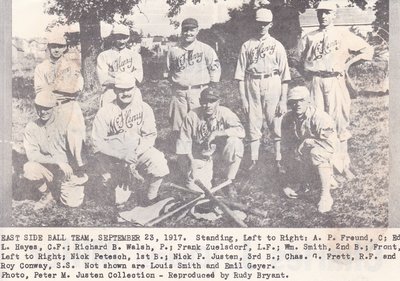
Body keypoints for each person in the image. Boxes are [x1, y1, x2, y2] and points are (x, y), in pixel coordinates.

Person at [297, 1, 373, 178]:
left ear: (334, 15)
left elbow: (367, 50)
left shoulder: (343, 34)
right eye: (320, 12)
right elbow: (297, 59)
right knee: (317, 122)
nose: (323, 16)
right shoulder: (309, 36)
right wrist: (308, 74)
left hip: (335, 80)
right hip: (316, 81)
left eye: (327, 12)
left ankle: (344, 165)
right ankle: (323, 167)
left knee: (339, 121)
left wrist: (347, 64)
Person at [91, 73, 169, 206]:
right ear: (115, 90)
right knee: (118, 201)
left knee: (159, 162)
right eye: (121, 90)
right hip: (114, 158)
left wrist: (135, 153)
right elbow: (97, 143)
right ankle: (116, 181)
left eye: (129, 89)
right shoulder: (105, 111)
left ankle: (151, 197)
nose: (125, 93)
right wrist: (121, 156)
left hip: (136, 153)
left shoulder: (144, 108)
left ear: (135, 89)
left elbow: (150, 136)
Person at [234, 8, 291, 172]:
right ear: (255, 23)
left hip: (272, 81)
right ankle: (254, 160)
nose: (261, 27)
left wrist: (283, 99)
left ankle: (278, 159)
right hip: (252, 82)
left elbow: (285, 75)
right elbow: (240, 75)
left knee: (276, 121)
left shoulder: (277, 45)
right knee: (253, 121)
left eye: (265, 24)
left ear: (270, 24)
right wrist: (244, 99)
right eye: (259, 23)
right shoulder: (247, 45)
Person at [22, 91, 88, 210]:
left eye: (47, 108)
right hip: (49, 167)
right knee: (29, 168)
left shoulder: (65, 122)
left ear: (54, 107)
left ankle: (68, 185)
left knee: (72, 203)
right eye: (39, 108)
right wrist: (57, 161)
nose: (43, 112)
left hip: (67, 170)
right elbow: (32, 155)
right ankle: (47, 194)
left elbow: (78, 150)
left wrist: (75, 169)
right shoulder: (31, 127)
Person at [176, 88, 245, 197]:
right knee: (198, 192)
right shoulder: (192, 115)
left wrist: (218, 133)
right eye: (204, 102)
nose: (208, 105)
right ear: (199, 101)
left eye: (212, 101)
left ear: (218, 102)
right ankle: (207, 174)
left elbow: (241, 131)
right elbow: (184, 142)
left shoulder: (225, 112)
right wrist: (191, 161)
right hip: (200, 157)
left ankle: (229, 181)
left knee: (235, 142)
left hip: (219, 153)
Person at [34, 31, 86, 173]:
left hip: (69, 105)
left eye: (60, 46)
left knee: (75, 133)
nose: (57, 50)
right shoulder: (41, 67)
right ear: (48, 48)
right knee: (54, 140)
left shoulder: (71, 65)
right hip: (50, 108)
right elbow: (39, 91)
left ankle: (78, 166)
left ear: (65, 48)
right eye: (53, 46)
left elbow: (77, 87)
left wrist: (54, 88)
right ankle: (56, 169)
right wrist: (63, 88)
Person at [281, 86, 338, 213]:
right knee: (292, 152)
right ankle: (304, 183)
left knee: (316, 153)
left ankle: (326, 195)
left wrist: (308, 142)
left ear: (308, 101)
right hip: (305, 152)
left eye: (301, 100)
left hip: (329, 151)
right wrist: (286, 183)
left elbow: (331, 144)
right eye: (293, 101)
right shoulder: (287, 119)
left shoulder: (320, 117)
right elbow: (286, 145)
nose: (297, 104)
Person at [167, 18, 221, 141]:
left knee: (199, 122)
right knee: (178, 125)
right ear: (182, 31)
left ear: (197, 31)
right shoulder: (173, 50)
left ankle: (199, 150)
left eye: (192, 30)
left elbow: (215, 69)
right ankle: (181, 154)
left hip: (199, 91)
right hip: (179, 93)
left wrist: (210, 89)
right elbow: (168, 70)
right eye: (185, 30)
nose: (188, 33)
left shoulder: (205, 49)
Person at [97, 24, 143, 106]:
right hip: (112, 93)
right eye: (118, 38)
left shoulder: (135, 56)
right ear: (113, 37)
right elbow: (104, 80)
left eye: (124, 38)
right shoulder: (103, 55)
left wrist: (115, 77)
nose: (122, 41)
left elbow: (138, 77)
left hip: (131, 93)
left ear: (128, 38)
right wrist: (127, 77)